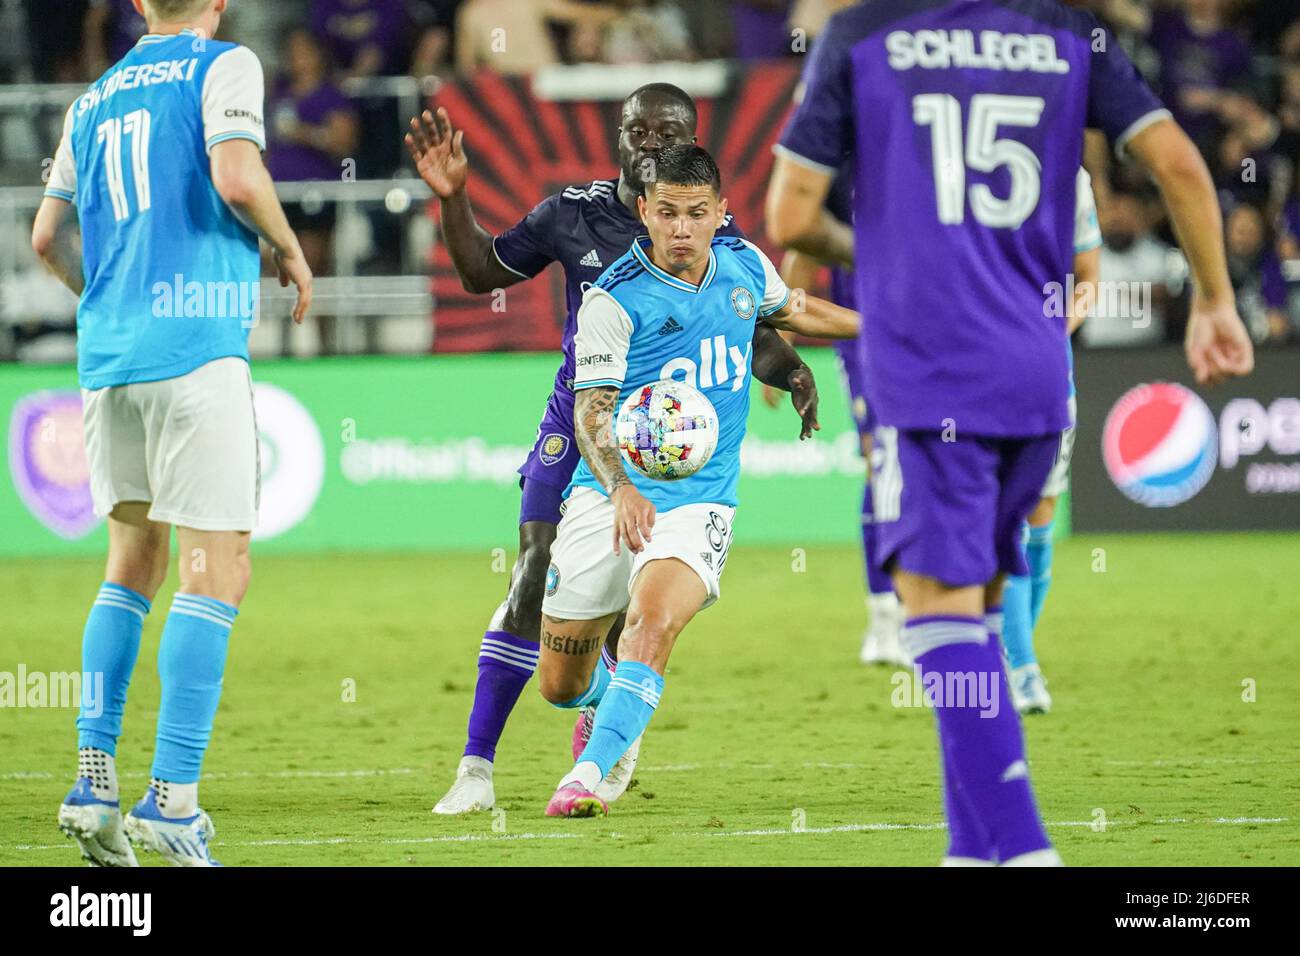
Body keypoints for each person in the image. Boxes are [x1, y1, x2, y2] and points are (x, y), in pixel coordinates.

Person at [766, 0, 1252, 865]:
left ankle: (1025, 850)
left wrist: (895, 252)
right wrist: (1215, 299)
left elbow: (792, 215)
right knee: (980, 610)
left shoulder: (863, 35)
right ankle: (971, 848)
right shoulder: (1068, 35)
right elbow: (1178, 161)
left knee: (937, 614)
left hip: (932, 365)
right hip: (1038, 368)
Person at [406, 84, 821, 815]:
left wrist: (789, 368)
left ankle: (610, 718)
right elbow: (479, 274)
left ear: (693, 144)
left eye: (668, 131)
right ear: (620, 136)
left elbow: (737, 321)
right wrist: (454, 196)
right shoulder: (571, 215)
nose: (650, 141)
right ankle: (476, 769)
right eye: (637, 128)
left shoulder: (702, 224)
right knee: (531, 575)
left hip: (667, 444)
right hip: (580, 423)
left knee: (645, 610)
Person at [33, 0, 311, 866]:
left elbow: (45, 236)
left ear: (139, 5)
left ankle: (92, 778)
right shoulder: (222, 66)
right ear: (218, 2)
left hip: (108, 360)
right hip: (195, 354)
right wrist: (290, 247)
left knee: (129, 567)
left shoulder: (96, 97)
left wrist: (113, 308)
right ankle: (172, 801)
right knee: (217, 569)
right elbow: (236, 177)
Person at [541, 143, 858, 816]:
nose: (681, 228)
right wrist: (622, 485)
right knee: (559, 685)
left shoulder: (744, 265)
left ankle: (586, 777)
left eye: (695, 213)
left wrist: (885, 330)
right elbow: (593, 408)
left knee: (652, 624)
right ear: (643, 212)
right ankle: (607, 694)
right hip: (610, 493)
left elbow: (792, 307)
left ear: (721, 212)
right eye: (666, 213)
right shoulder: (613, 300)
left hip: (699, 498)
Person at [1002, 169, 1104, 716]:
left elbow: (1087, 274)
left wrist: (1055, 327)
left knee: (1041, 515)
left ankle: (1015, 652)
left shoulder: (1072, 176)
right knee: (1009, 516)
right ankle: (1022, 669)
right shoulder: (947, 160)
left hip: (1047, 370)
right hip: (976, 368)